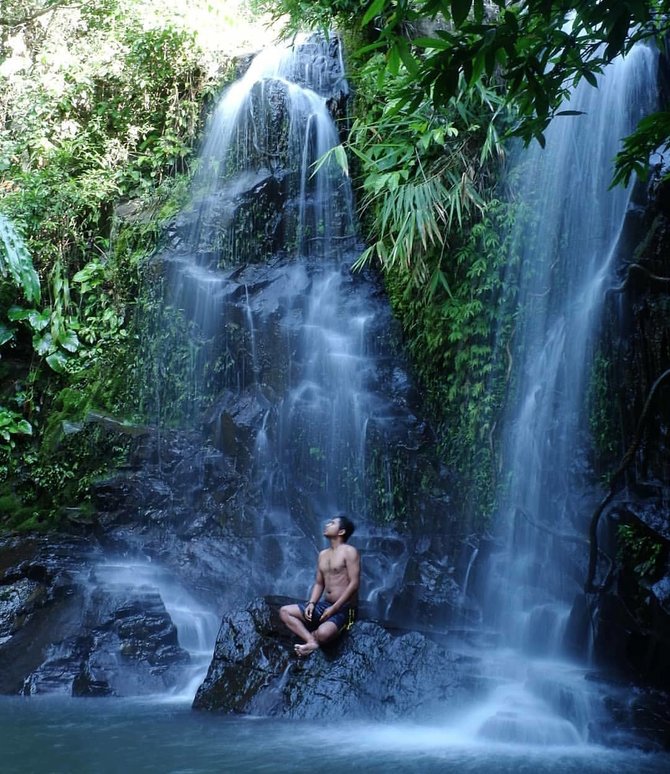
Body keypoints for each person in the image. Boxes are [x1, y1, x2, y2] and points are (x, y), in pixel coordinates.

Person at [279, 514, 360, 657]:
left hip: (344, 609)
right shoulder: (323, 554)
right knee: (284, 611)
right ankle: (311, 641)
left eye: (332, 523)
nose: (327, 525)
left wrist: (334, 609)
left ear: (341, 532)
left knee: (324, 633)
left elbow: (354, 584)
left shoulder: (350, 552)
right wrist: (311, 604)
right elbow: (319, 583)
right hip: (325, 605)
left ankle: (316, 636)